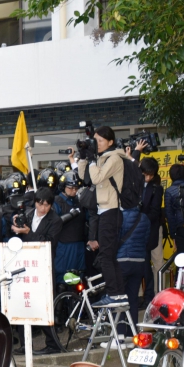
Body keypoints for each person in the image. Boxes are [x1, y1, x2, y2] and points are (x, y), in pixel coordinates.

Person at [73, 126, 131, 305]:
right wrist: (83, 157)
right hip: (105, 211)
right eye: (94, 140)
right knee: (110, 256)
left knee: (106, 256)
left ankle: (114, 293)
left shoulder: (114, 158)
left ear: (110, 142)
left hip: (111, 211)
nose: (96, 144)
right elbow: (86, 177)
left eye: (99, 140)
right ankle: (118, 293)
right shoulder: (101, 158)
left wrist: (92, 160)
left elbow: (97, 178)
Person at [11, 187, 63, 355]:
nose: (43, 208)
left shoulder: (55, 220)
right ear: (35, 203)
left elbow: (48, 242)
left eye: (47, 205)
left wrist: (27, 232)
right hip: (24, 264)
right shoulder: (27, 214)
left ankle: (53, 343)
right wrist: (16, 226)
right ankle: (25, 344)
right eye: (40, 204)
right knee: (22, 301)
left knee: (44, 304)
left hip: (43, 266)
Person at [94, 205, 149, 340]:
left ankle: (118, 335)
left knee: (117, 297)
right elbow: (147, 239)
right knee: (133, 300)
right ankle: (132, 335)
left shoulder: (118, 217)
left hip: (121, 261)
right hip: (139, 261)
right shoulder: (145, 218)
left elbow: (113, 239)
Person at [53, 172, 86, 288]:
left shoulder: (78, 201)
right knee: (64, 278)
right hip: (65, 246)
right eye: (70, 188)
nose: (74, 191)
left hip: (79, 244)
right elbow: (54, 223)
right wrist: (69, 216)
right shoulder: (57, 202)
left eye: (76, 188)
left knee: (78, 278)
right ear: (63, 187)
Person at [138, 157, 164, 299]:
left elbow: (155, 211)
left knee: (156, 262)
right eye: (145, 174)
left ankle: (157, 293)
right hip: (136, 231)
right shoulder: (135, 184)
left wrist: (140, 219)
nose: (147, 177)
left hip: (151, 230)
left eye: (150, 175)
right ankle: (139, 294)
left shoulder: (156, 188)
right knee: (141, 264)